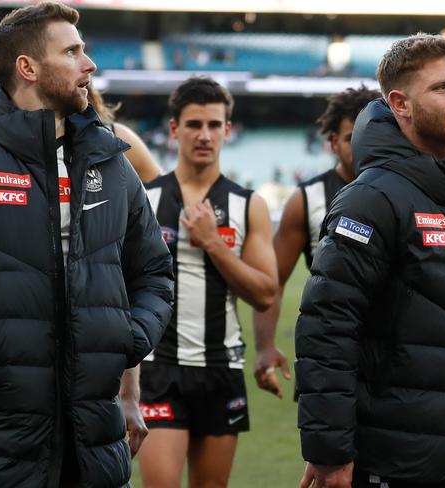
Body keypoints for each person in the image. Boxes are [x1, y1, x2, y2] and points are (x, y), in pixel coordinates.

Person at [0, 3, 174, 487]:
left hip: (96, 448)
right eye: (72, 52)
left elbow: (153, 271)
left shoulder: (111, 162)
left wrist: (127, 341)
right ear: (28, 68)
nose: (89, 64)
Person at [295, 33, 445, 488]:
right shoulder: (370, 199)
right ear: (400, 104)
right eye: (443, 88)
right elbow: (327, 330)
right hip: (400, 463)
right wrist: (330, 453)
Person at [137, 76, 278, 488]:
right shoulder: (145, 200)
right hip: (159, 365)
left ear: (228, 131)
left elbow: (265, 292)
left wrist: (215, 244)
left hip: (221, 368)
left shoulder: (247, 204)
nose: (205, 135)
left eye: (214, 125)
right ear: (174, 129)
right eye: (194, 124)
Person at [252, 86, 380, 398]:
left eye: (373, 132)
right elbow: (273, 282)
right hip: (328, 356)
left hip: (395, 357)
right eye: (352, 137)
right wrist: (265, 347)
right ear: (333, 142)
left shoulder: (406, 190)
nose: (363, 144)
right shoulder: (306, 199)